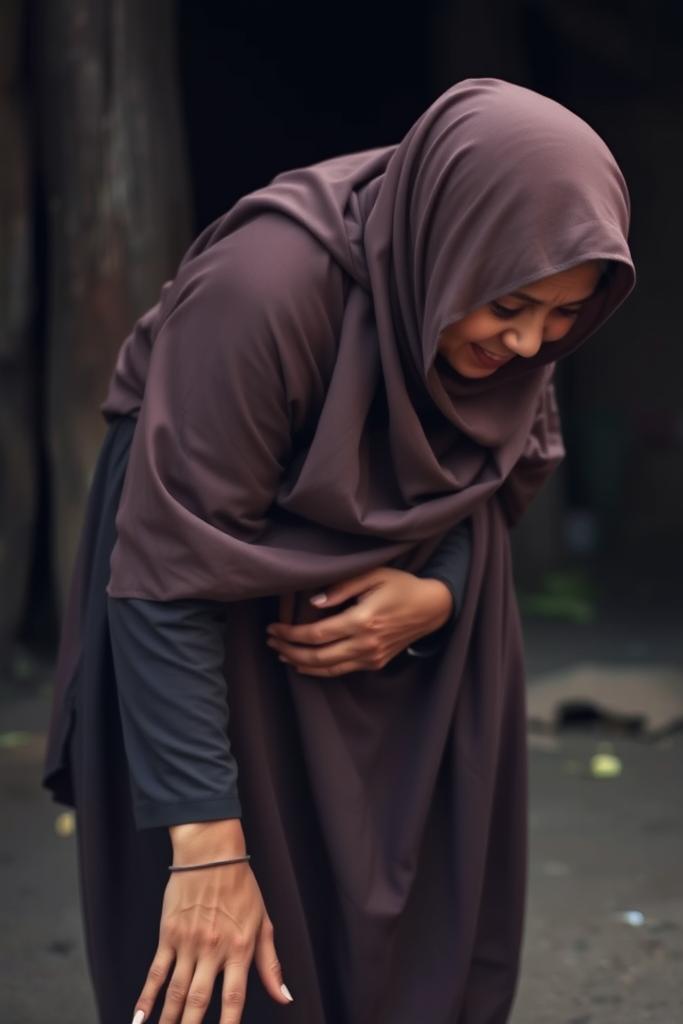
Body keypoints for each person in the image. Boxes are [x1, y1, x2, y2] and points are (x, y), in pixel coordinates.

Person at [42, 78, 634, 1024]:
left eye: (563, 317)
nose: (528, 344)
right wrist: (206, 850)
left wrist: (439, 592)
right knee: (238, 933)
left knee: (405, 932)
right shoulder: (263, 290)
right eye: (510, 305)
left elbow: (502, 471)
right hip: (203, 598)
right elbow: (164, 577)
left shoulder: (506, 329)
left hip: (394, 610)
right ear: (452, 245)